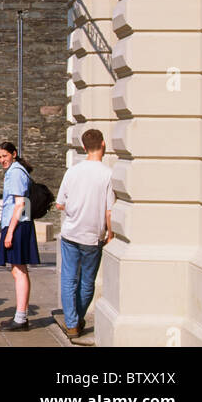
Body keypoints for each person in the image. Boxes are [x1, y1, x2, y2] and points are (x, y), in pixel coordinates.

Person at [55, 128, 114, 339]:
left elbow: (60, 203)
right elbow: (109, 210)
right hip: (93, 235)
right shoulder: (107, 174)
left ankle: (71, 322)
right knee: (87, 281)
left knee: (69, 278)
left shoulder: (72, 171)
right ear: (103, 144)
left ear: (83, 147)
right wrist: (111, 233)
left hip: (71, 233)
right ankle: (77, 319)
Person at [0, 140, 39, 331]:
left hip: (17, 224)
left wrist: (10, 232)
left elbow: (20, 204)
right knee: (17, 270)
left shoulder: (15, 172)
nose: (2, 160)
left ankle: (21, 318)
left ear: (13, 154)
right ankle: (20, 315)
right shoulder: (17, 171)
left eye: (4, 156)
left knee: (18, 271)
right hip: (19, 223)